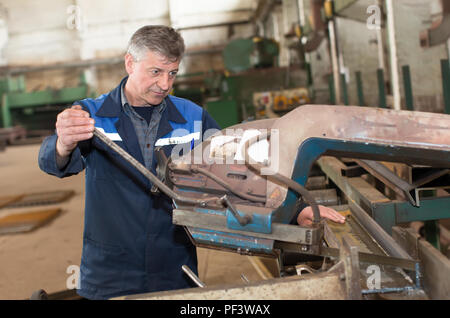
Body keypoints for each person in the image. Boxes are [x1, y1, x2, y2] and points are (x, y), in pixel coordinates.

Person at [38, 25, 344, 300]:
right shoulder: (93, 115)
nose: (165, 84)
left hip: (173, 264)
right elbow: (51, 162)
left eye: (172, 73)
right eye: (156, 72)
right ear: (130, 63)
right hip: (111, 269)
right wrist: (64, 142)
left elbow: (237, 173)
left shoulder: (192, 117)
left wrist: (294, 211)